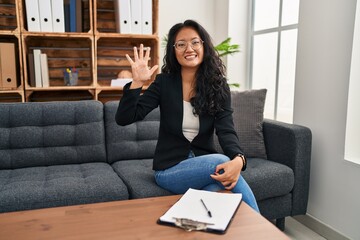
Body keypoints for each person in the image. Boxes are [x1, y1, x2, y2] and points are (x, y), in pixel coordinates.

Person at [115, 19, 259, 212]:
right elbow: (124, 118)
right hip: (169, 170)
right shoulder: (163, 83)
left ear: (204, 46)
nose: (188, 48)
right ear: (174, 51)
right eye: (181, 44)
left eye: (194, 42)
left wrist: (238, 158)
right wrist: (136, 83)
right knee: (220, 162)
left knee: (218, 191)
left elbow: (226, 130)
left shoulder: (218, 86)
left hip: (202, 165)